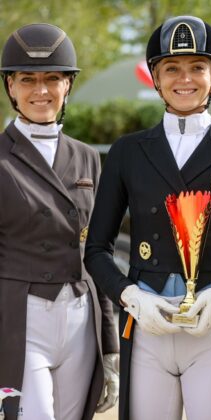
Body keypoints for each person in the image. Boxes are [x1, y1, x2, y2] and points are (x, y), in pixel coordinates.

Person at [84, 15, 211, 420]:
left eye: (197, 68)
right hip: (147, 323)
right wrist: (128, 295)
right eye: (172, 68)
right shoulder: (128, 153)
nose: (184, 79)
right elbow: (96, 249)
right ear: (155, 76)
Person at [0, 23, 119, 420]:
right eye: (27, 80)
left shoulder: (87, 157)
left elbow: (95, 251)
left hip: (80, 316)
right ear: (10, 87)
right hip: (21, 315)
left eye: (52, 78)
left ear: (68, 85)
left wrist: (111, 345)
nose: (41, 91)